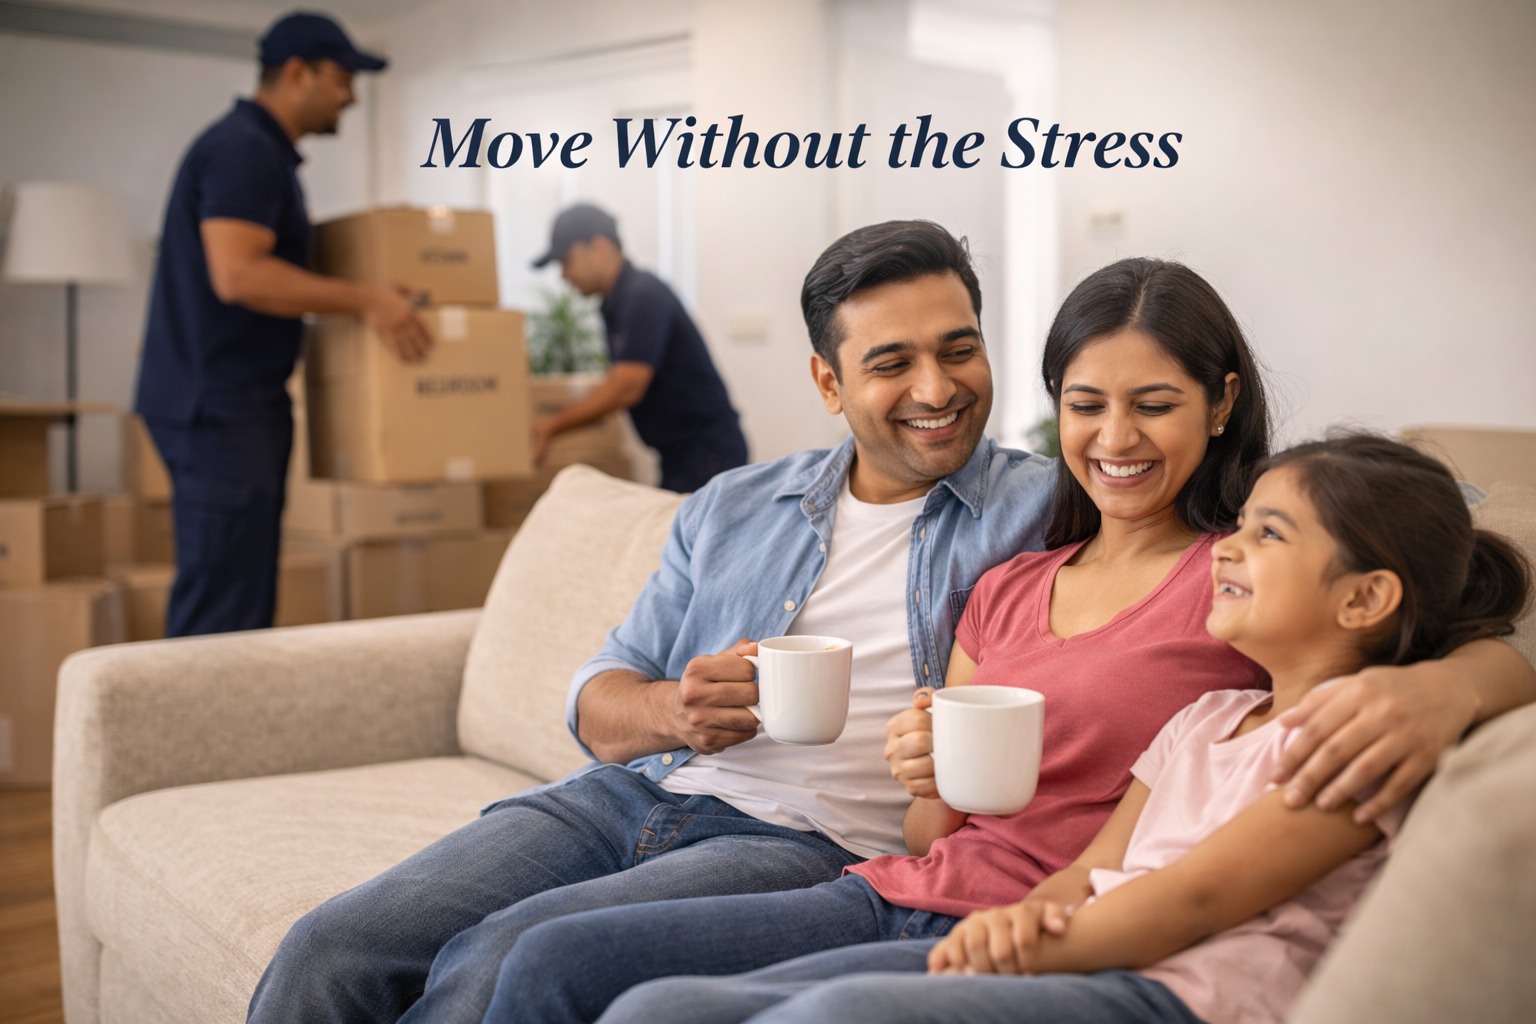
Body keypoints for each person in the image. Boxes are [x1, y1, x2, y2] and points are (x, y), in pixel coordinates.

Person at [479, 260, 1536, 1024]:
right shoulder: (1014, 570)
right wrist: (925, 766)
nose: (1115, 440)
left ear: (1221, 403)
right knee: (567, 964)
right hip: (904, 888)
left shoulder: (1244, 587)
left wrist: (1460, 683)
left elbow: (1442, 574)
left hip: (1036, 934)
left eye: (1154, 405)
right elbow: (934, 827)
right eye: (1085, 405)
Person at [247, 220, 1058, 1023]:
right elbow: (596, 701)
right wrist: (675, 709)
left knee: (503, 954)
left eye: (959, 350)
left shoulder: (1048, 506)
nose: (937, 388)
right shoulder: (732, 506)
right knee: (331, 946)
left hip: (803, 844)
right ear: (828, 384)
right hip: (625, 795)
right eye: (892, 363)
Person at [594, 432, 1531, 1024]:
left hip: (1177, 990)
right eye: (1240, 526)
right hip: (1061, 939)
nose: (1231, 550)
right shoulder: (1207, 719)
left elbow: (1193, 903)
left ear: (1367, 597)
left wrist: (1026, 941)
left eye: (1269, 536)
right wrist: (1030, 915)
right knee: (658, 1006)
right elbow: (1093, 872)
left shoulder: (1354, 743)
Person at [134, 10, 431, 637]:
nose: (352, 96)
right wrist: (367, 300)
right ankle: (193, 734)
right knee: (222, 605)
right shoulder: (243, 150)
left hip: (233, 406)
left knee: (240, 596)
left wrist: (377, 282)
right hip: (215, 409)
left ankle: (223, 732)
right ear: (298, 73)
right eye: (344, 78)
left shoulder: (262, 152)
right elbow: (238, 274)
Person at [529, 203, 749, 492]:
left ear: (599, 247)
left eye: (566, 260)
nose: (563, 275)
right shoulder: (613, 305)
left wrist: (551, 426)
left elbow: (626, 386)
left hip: (707, 453)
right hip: (681, 455)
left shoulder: (643, 296)